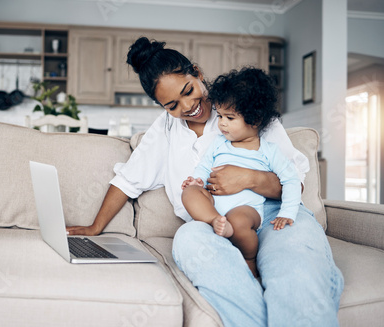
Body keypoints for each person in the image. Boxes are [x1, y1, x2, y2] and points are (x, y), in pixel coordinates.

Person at [67, 37, 343, 326]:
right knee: (187, 238)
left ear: (197, 73)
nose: (188, 106)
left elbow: (294, 185)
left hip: (274, 216)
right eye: (172, 105)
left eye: (189, 90)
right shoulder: (164, 131)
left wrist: (250, 178)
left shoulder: (245, 105)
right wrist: (95, 227)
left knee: (296, 274)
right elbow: (127, 181)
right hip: (213, 228)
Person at [181, 67, 302, 277]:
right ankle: (213, 221)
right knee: (189, 193)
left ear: (254, 120)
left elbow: (291, 180)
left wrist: (287, 213)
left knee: (239, 223)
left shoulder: (268, 151)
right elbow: (204, 166)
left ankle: (249, 259)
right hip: (214, 204)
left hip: (246, 210)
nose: (221, 123)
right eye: (220, 116)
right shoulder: (218, 144)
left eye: (230, 117)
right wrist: (197, 180)